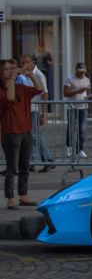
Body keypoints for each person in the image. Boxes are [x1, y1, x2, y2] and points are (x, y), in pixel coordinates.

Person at [0, 59, 44, 209]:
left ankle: (23, 195)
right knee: (12, 168)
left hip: (26, 131)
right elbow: (10, 97)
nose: (11, 70)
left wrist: (31, 74)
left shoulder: (21, 87)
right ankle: (10, 198)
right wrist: (13, 78)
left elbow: (40, 89)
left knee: (25, 166)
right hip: (11, 132)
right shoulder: (3, 89)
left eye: (13, 68)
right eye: (7, 69)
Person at [19, 54, 55, 173]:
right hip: (26, 109)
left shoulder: (39, 75)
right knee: (30, 136)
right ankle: (32, 162)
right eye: (22, 62)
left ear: (32, 62)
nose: (24, 65)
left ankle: (48, 159)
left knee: (34, 136)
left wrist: (43, 113)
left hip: (34, 109)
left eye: (26, 62)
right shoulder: (23, 75)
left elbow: (45, 94)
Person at [64, 62, 91, 158]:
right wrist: (77, 91)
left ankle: (80, 149)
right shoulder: (70, 79)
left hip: (83, 107)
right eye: (80, 72)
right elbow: (65, 93)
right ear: (76, 70)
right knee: (71, 128)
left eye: (83, 72)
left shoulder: (87, 80)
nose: (82, 74)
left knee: (82, 129)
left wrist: (88, 97)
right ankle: (69, 148)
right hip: (72, 106)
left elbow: (87, 92)